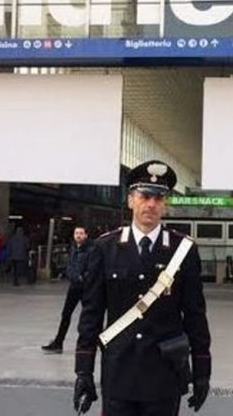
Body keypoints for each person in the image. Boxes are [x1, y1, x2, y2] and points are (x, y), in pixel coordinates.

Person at [74, 160, 211, 415]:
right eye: (145, 196)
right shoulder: (105, 248)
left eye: (158, 198)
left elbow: (195, 315)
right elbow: (91, 314)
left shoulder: (183, 250)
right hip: (119, 371)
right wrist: (83, 370)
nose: (151, 204)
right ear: (130, 200)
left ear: (165, 204)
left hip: (164, 374)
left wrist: (202, 371)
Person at [42, 226, 92, 353]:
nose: (78, 236)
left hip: (86, 288)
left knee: (89, 316)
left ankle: (90, 343)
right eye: (76, 233)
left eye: (81, 233)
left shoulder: (91, 250)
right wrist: (71, 275)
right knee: (66, 314)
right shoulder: (73, 248)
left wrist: (83, 278)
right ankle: (58, 342)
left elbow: (92, 268)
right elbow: (70, 265)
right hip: (74, 286)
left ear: (86, 235)